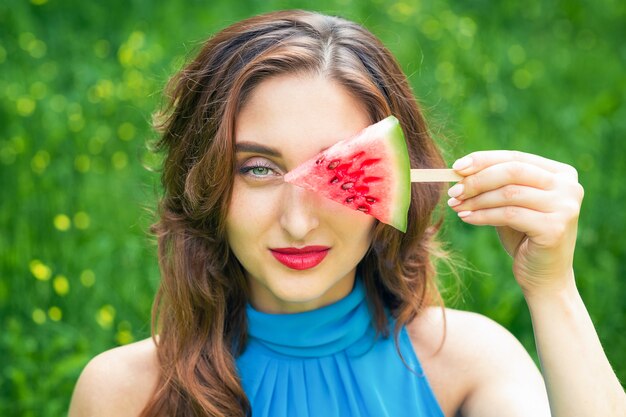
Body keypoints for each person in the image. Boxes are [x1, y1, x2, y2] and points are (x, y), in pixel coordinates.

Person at [68, 9, 625, 417]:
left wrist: (553, 289)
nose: (298, 222)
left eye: (336, 172)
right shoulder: (121, 393)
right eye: (258, 169)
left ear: (395, 185)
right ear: (202, 185)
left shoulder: (469, 366)